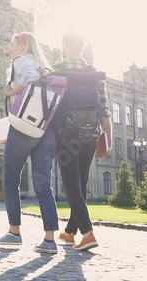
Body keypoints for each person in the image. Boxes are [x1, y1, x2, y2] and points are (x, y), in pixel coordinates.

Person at [0, 32, 60, 254]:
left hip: (24, 128)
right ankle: (49, 239)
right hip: (45, 129)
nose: (9, 49)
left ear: (22, 45)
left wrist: (13, 90)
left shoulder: (20, 61)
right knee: (43, 185)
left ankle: (14, 232)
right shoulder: (44, 65)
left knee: (11, 180)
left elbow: (31, 79)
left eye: (11, 45)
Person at [53, 30, 112, 251]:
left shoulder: (57, 73)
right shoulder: (96, 76)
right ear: (82, 47)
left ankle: (87, 233)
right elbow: (105, 113)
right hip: (89, 135)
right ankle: (70, 232)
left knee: (71, 184)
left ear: (64, 46)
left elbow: (50, 107)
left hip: (67, 135)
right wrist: (106, 141)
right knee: (82, 183)